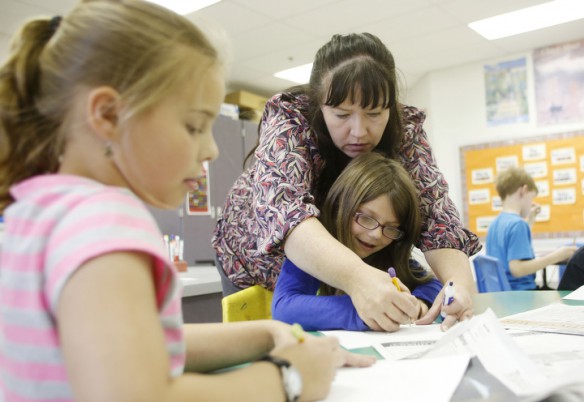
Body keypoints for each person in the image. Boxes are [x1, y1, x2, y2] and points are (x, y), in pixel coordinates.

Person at [0, 2, 374, 401]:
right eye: (194, 126)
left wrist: (266, 334)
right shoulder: (103, 222)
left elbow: (135, 345)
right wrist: (290, 379)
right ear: (108, 115)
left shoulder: (31, 213)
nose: (211, 150)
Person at [213, 32, 481, 332]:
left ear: (390, 107)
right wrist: (358, 281)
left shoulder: (405, 130)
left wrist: (458, 287)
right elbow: (286, 214)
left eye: (374, 114)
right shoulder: (291, 117)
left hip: (343, 247)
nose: (359, 132)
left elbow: (437, 219)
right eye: (342, 114)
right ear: (319, 105)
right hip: (255, 260)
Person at [272, 153, 443, 330]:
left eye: (391, 227)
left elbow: (432, 283)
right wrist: (367, 309)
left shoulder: (386, 252)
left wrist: (420, 303)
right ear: (339, 205)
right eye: (366, 218)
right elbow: (284, 310)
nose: (376, 235)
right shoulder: (313, 246)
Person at [486, 167, 577, 290]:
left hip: (503, 293)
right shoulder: (518, 224)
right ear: (523, 190)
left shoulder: (496, 223)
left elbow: (514, 244)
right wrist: (558, 255)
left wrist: (531, 219)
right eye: (531, 198)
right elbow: (517, 269)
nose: (531, 204)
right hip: (521, 292)